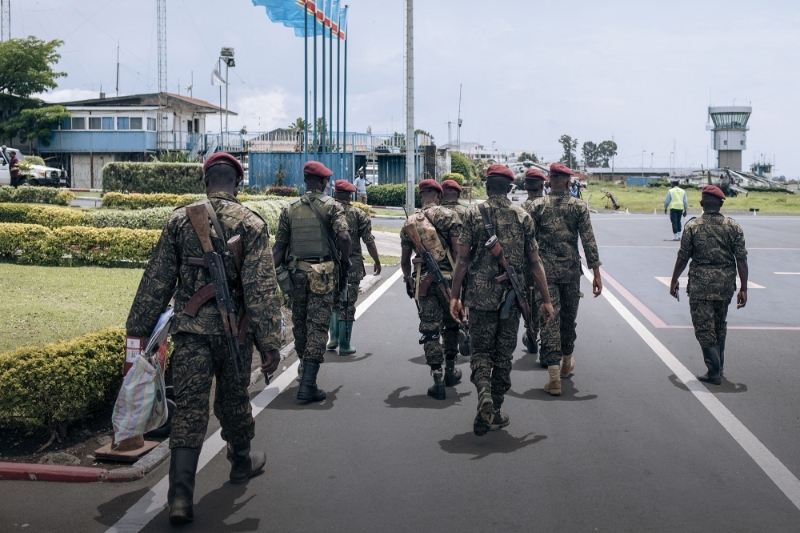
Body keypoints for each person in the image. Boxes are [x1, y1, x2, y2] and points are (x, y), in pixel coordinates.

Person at [125, 152, 283, 524]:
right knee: (233, 400)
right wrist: (270, 344)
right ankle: (241, 464)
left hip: (191, 334)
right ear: (238, 183)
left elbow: (156, 280)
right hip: (235, 334)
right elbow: (261, 289)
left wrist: (137, 330)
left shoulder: (179, 219)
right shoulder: (252, 222)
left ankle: (180, 498)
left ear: (205, 180)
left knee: (191, 410)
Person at [450, 164, 554, 436]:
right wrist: (546, 300)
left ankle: (483, 394)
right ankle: (494, 408)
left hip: (479, 297)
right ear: (510, 188)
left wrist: (454, 297)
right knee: (504, 355)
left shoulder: (473, 214)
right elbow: (535, 263)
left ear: (486, 186)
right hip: (512, 299)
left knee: (481, 351)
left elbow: (462, 259)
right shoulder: (523, 216)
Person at [273, 161, 351, 403]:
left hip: (296, 274)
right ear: (324, 182)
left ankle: (304, 367)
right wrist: (344, 261)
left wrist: (272, 273)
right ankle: (308, 383)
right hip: (322, 275)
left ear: (306, 181)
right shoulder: (333, 207)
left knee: (301, 324)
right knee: (318, 327)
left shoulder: (289, 209)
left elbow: (279, 247)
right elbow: (345, 236)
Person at [528, 163, 603, 396]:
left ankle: (553, 378)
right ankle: (566, 362)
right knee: (569, 319)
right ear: (569, 183)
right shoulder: (578, 206)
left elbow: (527, 241)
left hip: (544, 274)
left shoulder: (536, 206)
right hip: (571, 272)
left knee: (548, 319)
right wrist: (596, 274)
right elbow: (588, 240)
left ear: (548, 181)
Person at [669, 185, 748, 385]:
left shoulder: (692, 227)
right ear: (721, 203)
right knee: (719, 324)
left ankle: (713, 372)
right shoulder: (733, 226)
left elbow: (683, 257)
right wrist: (743, 288)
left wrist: (674, 279)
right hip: (725, 285)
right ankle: (719, 368)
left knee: (704, 328)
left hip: (700, 287)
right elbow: (741, 259)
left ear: (702, 203)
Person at [401, 179, 463, 400]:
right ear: (438, 195)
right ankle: (450, 370)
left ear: (421, 196)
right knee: (452, 326)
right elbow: (458, 253)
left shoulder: (410, 221)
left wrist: (408, 279)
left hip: (424, 282)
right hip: (450, 280)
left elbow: (405, 259)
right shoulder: (450, 216)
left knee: (429, 331)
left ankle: (436, 379)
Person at [327, 179, 382, 355]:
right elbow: (369, 241)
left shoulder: (326, 210)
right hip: (352, 265)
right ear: (350, 195)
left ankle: (333, 338)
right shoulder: (359, 214)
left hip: (329, 264)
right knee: (347, 303)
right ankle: (344, 344)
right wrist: (377, 260)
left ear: (335, 193)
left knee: (333, 301)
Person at [519, 167, 547, 363]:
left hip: (528, 262)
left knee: (529, 299)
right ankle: (547, 343)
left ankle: (531, 331)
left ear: (526, 186)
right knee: (548, 301)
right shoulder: (550, 206)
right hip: (551, 263)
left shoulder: (521, 210)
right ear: (543, 185)